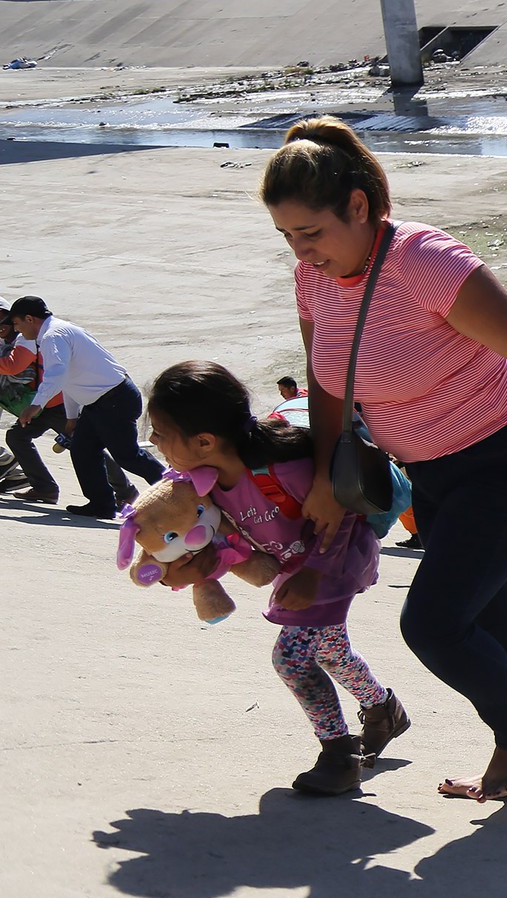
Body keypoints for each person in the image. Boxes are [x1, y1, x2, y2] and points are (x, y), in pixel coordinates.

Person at [262, 117, 507, 803]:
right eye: (288, 237)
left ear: (357, 207)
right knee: (492, 623)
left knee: (433, 623)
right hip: (432, 471)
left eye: (312, 232)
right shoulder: (312, 280)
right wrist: (324, 476)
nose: (302, 251)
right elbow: (325, 379)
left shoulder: (424, 261)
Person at [144, 361, 409, 796]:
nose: (153, 441)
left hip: (335, 563)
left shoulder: (280, 469)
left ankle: (339, 756)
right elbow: (221, 532)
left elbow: (340, 511)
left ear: (205, 440)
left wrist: (314, 572)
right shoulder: (204, 484)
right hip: (297, 570)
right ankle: (383, 710)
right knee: (330, 650)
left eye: (160, 432)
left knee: (291, 658)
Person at [6, 297, 164, 519]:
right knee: (83, 451)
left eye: (17, 323)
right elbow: (71, 380)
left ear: (30, 319)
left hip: (115, 399)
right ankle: (101, 504)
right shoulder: (59, 331)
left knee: (127, 455)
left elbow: (56, 376)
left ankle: (178, 490)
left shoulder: (53, 336)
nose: (16, 330)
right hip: (99, 402)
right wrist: (71, 418)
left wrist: (34, 406)